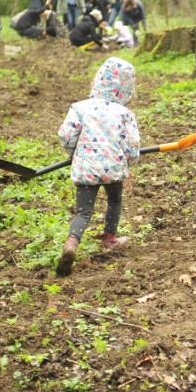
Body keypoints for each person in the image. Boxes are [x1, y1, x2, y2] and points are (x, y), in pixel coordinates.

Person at [56, 57, 140, 276]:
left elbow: (66, 135)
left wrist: (73, 152)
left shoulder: (80, 108)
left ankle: (71, 243)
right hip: (112, 170)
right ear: (127, 89)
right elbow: (131, 145)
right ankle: (110, 238)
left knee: (83, 211)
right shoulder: (125, 114)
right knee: (114, 200)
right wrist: (129, 162)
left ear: (98, 81)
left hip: (86, 168)